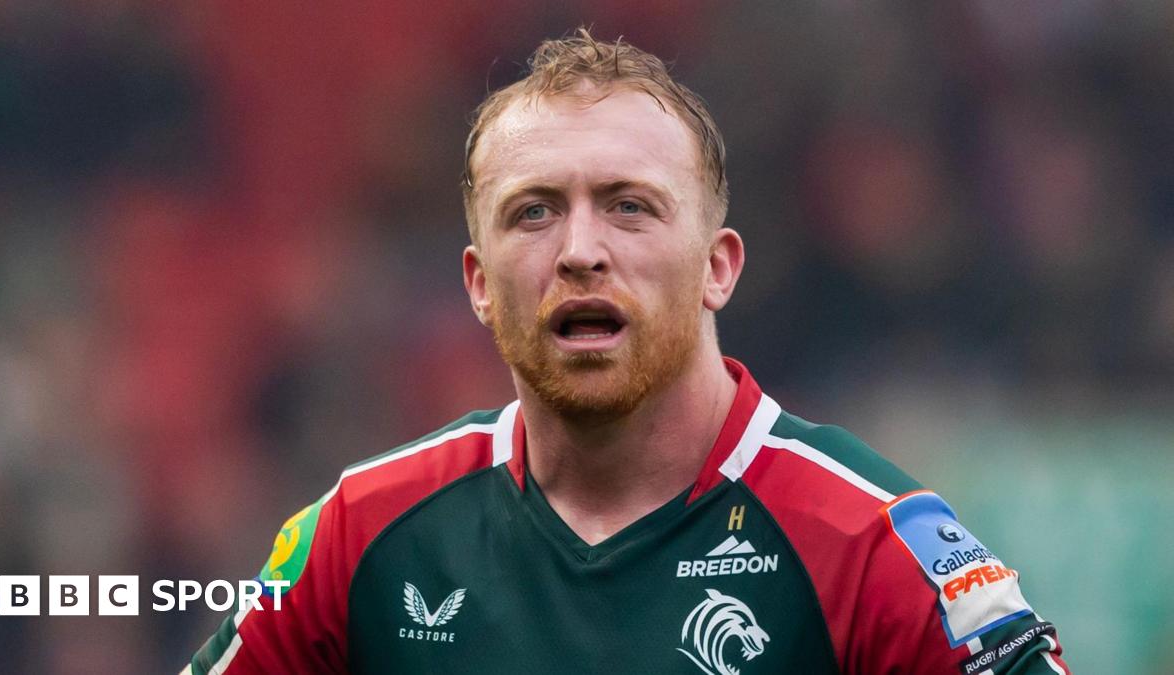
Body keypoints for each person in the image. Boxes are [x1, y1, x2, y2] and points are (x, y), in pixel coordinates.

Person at [187, 29, 1070, 674]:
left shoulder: (872, 540)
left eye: (630, 206)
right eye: (533, 211)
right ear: (478, 284)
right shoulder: (363, 535)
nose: (579, 249)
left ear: (718, 267)